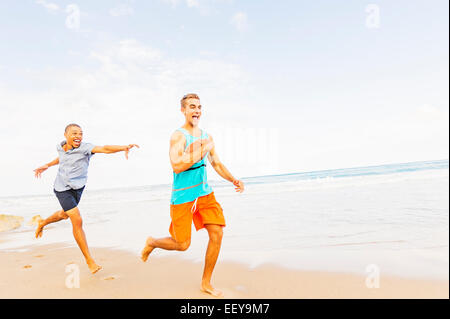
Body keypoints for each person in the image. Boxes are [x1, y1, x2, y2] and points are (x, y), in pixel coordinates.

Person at [141, 93, 244, 297]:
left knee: (217, 233)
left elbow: (216, 163)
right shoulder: (178, 136)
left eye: (199, 107)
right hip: (183, 197)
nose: (196, 110)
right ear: (183, 110)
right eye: (192, 107)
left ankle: (206, 282)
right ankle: (152, 242)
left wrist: (233, 179)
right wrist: (202, 149)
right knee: (182, 244)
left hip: (204, 194)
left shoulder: (207, 136)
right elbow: (177, 165)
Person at [33, 123, 139, 274]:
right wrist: (47, 165)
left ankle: (43, 222)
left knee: (64, 214)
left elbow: (105, 148)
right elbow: (61, 158)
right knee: (77, 219)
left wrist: (123, 147)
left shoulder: (85, 148)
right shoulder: (61, 147)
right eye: (74, 133)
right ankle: (90, 260)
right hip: (62, 188)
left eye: (81, 133)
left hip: (78, 189)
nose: (78, 136)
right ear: (66, 135)